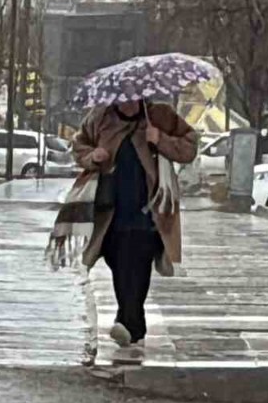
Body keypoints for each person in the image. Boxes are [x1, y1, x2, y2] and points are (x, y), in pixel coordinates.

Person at [71, 99, 197, 354]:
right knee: (118, 264)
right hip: (110, 212)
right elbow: (78, 145)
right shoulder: (101, 118)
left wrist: (160, 139)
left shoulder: (158, 115)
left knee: (139, 265)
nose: (127, 99)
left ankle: (127, 323)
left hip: (149, 211)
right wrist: (92, 156)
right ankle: (131, 322)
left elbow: (189, 147)